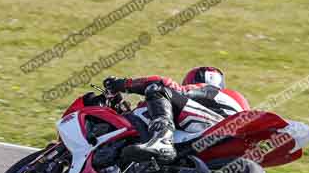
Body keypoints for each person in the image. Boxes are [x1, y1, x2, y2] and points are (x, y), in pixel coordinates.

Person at [103, 67, 249, 162]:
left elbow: (163, 83)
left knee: (156, 89)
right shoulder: (235, 97)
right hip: (233, 142)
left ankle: (163, 141)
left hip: (213, 126)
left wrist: (123, 84)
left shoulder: (204, 90)